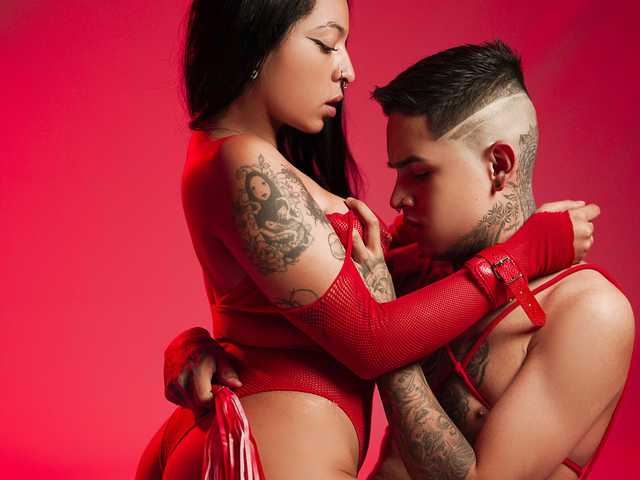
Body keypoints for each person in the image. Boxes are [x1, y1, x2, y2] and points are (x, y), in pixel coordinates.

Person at [135, 0, 596, 477]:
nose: (348, 70)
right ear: (255, 39)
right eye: (326, 44)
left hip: (259, 434)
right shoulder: (243, 162)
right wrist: (521, 256)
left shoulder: (241, 157)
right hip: (276, 448)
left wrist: (191, 342)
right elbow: (369, 341)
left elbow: (287, 308)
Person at [365, 41, 634, 479]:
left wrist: (385, 340)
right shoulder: (419, 268)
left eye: (420, 174)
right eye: (397, 174)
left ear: (499, 166)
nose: (397, 197)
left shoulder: (588, 311)